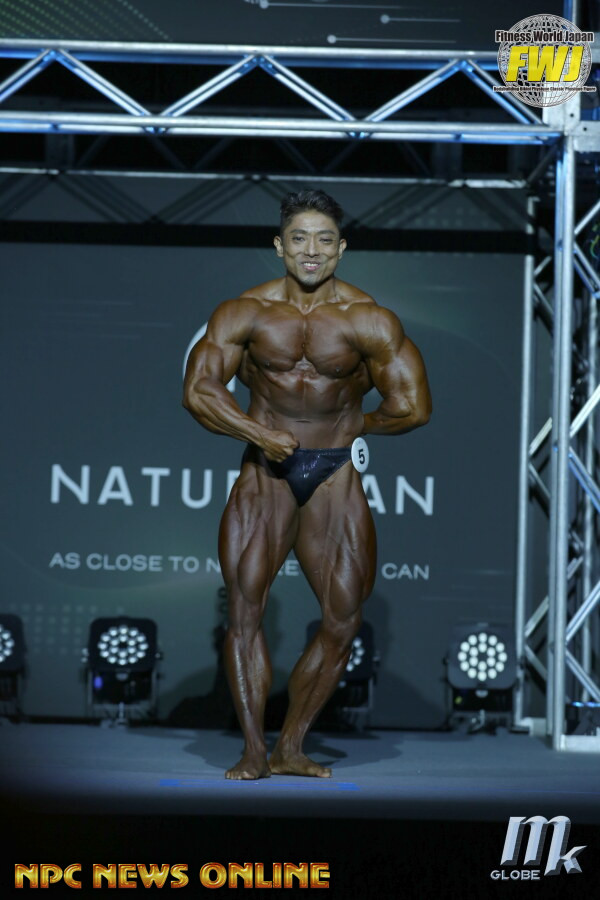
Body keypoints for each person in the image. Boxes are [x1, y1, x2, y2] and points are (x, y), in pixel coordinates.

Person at [183, 189, 431, 779]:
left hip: (334, 472)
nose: (311, 250)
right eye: (299, 238)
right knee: (245, 610)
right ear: (279, 246)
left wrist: (356, 426)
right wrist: (258, 434)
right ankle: (253, 749)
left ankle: (291, 744)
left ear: (341, 249)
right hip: (264, 471)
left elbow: (413, 406)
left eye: (324, 239)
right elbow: (198, 391)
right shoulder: (243, 312)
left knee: (344, 618)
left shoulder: (369, 319)